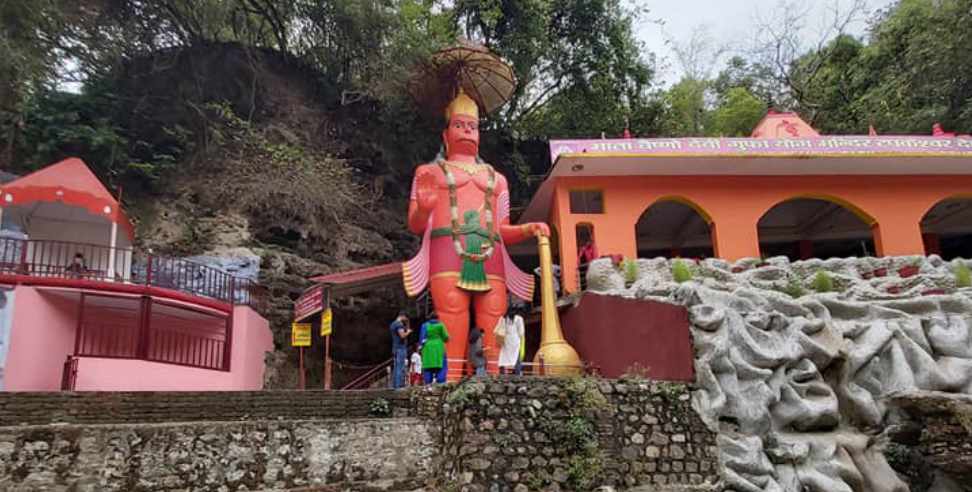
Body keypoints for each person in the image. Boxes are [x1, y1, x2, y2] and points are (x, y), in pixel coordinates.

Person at [403, 88, 548, 381]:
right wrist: (425, 207)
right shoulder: (428, 173)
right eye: (460, 125)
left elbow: (503, 230)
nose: (468, 130)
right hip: (447, 255)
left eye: (473, 126)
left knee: (495, 316)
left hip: (491, 259)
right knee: (452, 314)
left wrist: (529, 229)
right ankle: (451, 380)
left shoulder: (499, 180)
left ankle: (496, 382)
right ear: (445, 135)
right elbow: (415, 224)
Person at [419, 312, 448, 383]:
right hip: (439, 348)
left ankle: (428, 384)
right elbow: (446, 337)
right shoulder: (441, 325)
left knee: (427, 368)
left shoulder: (424, 325)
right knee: (441, 367)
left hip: (427, 348)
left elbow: (422, 338)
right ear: (437, 318)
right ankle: (440, 384)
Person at [497, 308, 524, 375]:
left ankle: (502, 372)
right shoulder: (519, 319)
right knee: (516, 356)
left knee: (503, 356)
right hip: (515, 339)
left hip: (506, 339)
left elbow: (499, 328)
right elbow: (521, 332)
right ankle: (517, 373)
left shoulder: (503, 318)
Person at [389, 312, 411, 389]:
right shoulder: (399, 325)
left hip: (395, 347)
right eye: (405, 318)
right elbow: (402, 335)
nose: (405, 320)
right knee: (400, 367)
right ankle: (399, 385)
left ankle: (394, 385)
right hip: (400, 348)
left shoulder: (392, 324)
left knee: (396, 367)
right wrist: (408, 332)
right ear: (402, 316)